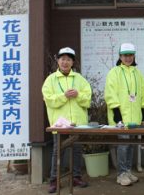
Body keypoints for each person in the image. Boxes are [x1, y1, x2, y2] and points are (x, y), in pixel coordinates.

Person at [42, 47, 91, 193]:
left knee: (76, 149)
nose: (65, 62)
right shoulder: (50, 80)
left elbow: (88, 99)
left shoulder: (80, 79)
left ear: (73, 62)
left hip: (78, 122)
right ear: (58, 61)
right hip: (60, 123)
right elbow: (48, 100)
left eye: (68, 59)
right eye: (62, 59)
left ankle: (76, 176)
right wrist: (64, 96)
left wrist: (78, 95)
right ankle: (54, 180)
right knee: (58, 151)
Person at [104, 42, 144, 186]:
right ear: (120, 56)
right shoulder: (114, 72)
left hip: (134, 118)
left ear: (134, 56)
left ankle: (128, 171)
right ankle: (121, 174)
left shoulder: (137, 73)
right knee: (123, 145)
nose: (128, 58)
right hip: (121, 118)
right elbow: (110, 94)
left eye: (130, 55)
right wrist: (117, 114)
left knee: (130, 144)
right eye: (125, 55)